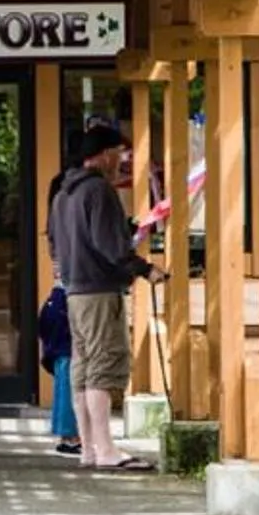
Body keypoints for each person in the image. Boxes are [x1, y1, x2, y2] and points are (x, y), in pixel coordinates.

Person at [46, 122, 159, 471]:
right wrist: (145, 269)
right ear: (104, 155)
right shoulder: (99, 191)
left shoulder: (63, 193)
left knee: (82, 367)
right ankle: (107, 450)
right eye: (119, 154)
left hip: (74, 290)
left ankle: (89, 449)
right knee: (103, 365)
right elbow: (110, 246)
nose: (122, 161)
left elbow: (55, 243)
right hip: (99, 290)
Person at [39, 282, 78, 454]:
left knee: (62, 391)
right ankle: (71, 436)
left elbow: (43, 327)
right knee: (69, 392)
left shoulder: (52, 300)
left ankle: (65, 434)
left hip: (58, 351)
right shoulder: (69, 299)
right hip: (69, 350)